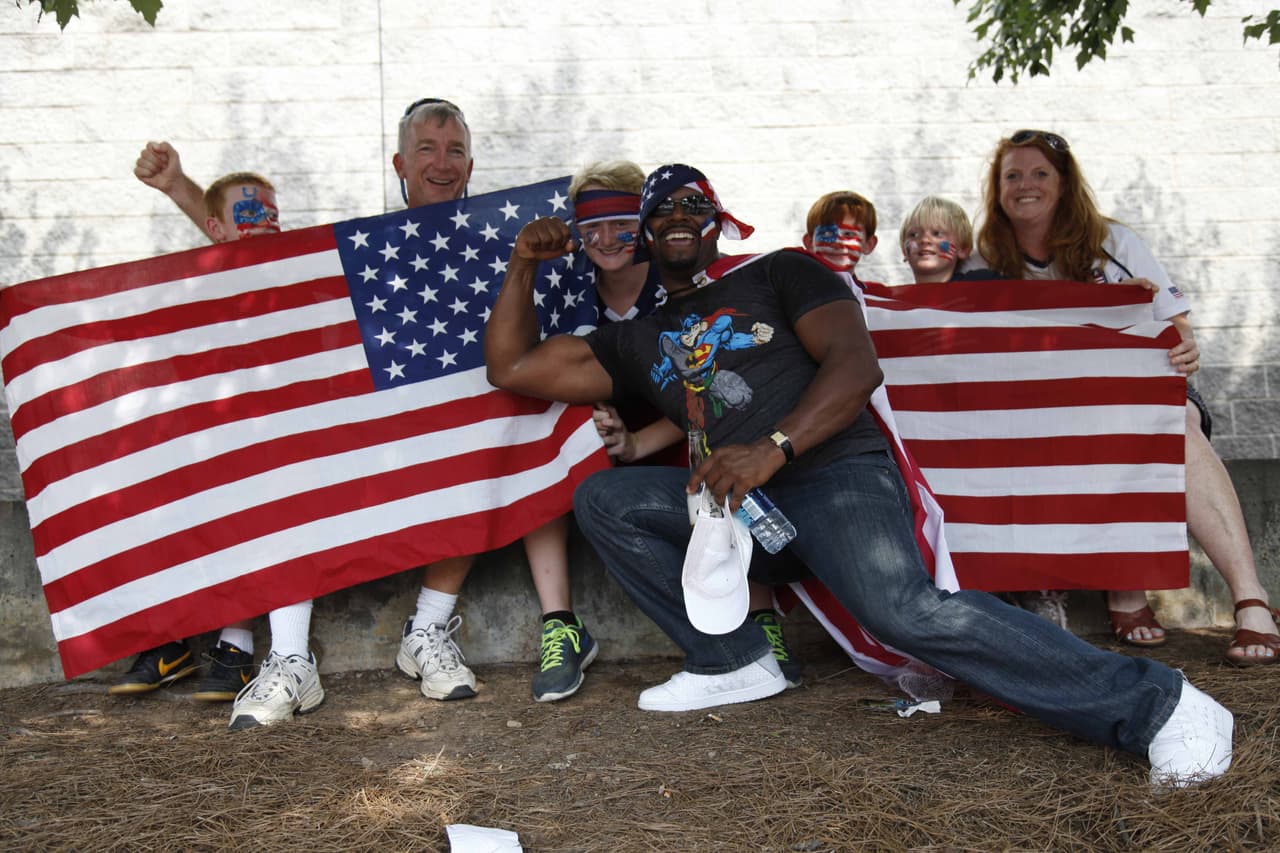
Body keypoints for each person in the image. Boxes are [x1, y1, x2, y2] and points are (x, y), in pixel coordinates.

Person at [484, 162, 1235, 789]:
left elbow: (856, 367)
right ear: (648, 232)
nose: (678, 214)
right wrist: (523, 264)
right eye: (662, 207)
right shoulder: (634, 339)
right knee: (605, 499)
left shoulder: (781, 271)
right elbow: (512, 365)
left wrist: (770, 447)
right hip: (747, 515)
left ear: (716, 221)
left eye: (693, 203)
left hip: (832, 475)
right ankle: (733, 659)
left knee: (906, 611)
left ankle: (1162, 708)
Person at [970, 129, 1279, 665]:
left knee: (1176, 416)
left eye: (1039, 173)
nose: (1025, 185)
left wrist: (1187, 345)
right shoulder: (983, 262)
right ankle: (1123, 583)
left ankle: (1251, 598)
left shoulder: (1114, 242)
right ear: (997, 190)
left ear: (1064, 184)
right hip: (1045, 411)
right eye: (1012, 175)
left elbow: (1174, 324)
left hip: (1131, 393)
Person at [572, 161, 804, 688]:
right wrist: (626, 442)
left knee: (725, 443)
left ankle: (759, 615)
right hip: (643, 449)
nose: (609, 238)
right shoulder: (571, 292)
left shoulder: (685, 279)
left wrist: (641, 441)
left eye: (622, 221)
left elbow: (709, 391)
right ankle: (726, 643)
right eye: (591, 225)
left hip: (703, 441)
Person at [110, 160, 283, 702]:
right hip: (206, 432)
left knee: (251, 515)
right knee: (164, 504)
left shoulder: (292, 271)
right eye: (250, 212)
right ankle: (170, 640)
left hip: (265, 442)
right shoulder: (198, 277)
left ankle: (235, 646)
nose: (263, 223)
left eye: (272, 214)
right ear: (217, 228)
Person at [897, 195, 997, 284]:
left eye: (937, 234)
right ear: (904, 250)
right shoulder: (895, 302)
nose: (924, 240)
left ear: (963, 248)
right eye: (914, 234)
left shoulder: (983, 283)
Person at [800, 191, 878, 286]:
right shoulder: (792, 296)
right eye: (827, 233)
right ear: (809, 243)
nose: (837, 242)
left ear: (869, 244)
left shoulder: (881, 296)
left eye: (848, 234)